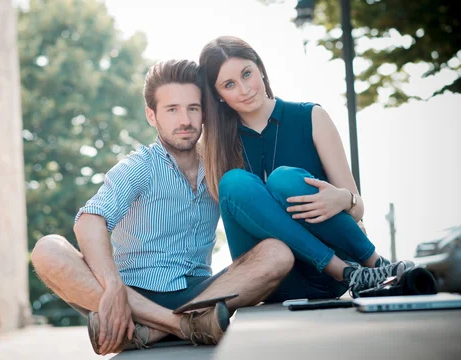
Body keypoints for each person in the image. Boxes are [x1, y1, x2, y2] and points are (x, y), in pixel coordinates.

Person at [30, 59, 295, 356]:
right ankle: (180, 326)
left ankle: (149, 332)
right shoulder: (138, 167)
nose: (185, 120)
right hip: (133, 294)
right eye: (172, 110)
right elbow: (90, 220)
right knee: (46, 249)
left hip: (202, 296)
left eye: (193, 108)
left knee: (278, 253)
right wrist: (113, 285)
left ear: (204, 112)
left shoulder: (220, 165)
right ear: (151, 116)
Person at [198, 36, 413, 302]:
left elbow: (358, 209)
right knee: (233, 183)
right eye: (229, 84)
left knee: (284, 180)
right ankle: (348, 272)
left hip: (331, 276)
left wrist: (344, 198)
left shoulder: (311, 117)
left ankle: (375, 265)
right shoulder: (214, 148)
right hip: (273, 277)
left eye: (246, 74)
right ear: (218, 96)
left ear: (260, 69)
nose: (244, 89)